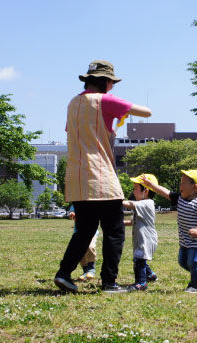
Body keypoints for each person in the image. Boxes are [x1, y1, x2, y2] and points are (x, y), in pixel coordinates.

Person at [54, 60, 151, 294]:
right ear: (106, 82)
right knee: (115, 231)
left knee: (85, 231)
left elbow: (79, 132)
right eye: (112, 82)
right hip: (101, 177)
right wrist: (119, 112)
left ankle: (63, 273)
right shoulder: (105, 99)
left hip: (78, 178)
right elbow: (147, 112)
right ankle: (109, 282)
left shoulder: (73, 103)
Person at [142, 170, 197, 293]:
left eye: (183, 183)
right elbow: (164, 192)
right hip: (185, 240)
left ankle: (195, 285)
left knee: (193, 261)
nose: (180, 186)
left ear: (194, 187)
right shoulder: (179, 198)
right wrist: (151, 185)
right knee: (183, 262)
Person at [122, 174, 159, 292]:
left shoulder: (148, 203)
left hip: (146, 238)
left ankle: (141, 283)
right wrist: (123, 223)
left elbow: (131, 204)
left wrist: (118, 201)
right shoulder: (143, 204)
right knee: (140, 259)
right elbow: (134, 221)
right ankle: (150, 275)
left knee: (139, 260)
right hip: (142, 238)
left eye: (136, 189)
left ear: (146, 191)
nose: (133, 192)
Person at [68, 204, 99, 281]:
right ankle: (86, 271)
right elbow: (72, 211)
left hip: (92, 231)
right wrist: (72, 214)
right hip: (78, 231)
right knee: (79, 251)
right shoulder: (77, 201)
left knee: (90, 247)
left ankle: (91, 268)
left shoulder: (94, 202)